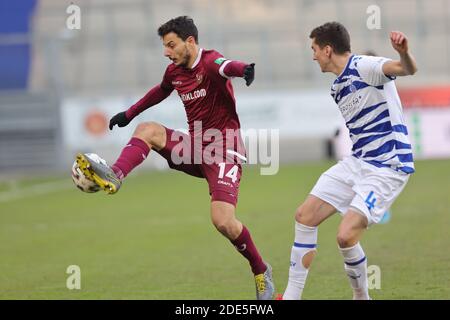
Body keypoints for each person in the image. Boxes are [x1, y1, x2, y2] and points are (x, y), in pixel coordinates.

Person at [75, 16, 275, 300]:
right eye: (165, 46)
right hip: (194, 148)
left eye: (171, 45)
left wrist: (244, 70)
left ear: (190, 42)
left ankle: (261, 269)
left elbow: (226, 66)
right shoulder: (174, 72)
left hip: (224, 151)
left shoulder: (210, 61)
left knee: (223, 221)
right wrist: (129, 114)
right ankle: (115, 175)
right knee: (148, 130)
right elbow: (160, 91)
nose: (166, 52)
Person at [279, 22, 417, 300]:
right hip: (357, 162)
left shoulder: (365, 66)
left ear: (328, 49)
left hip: (387, 166)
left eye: (315, 49)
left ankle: (361, 297)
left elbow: (407, 70)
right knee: (304, 216)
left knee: (345, 236)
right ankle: (291, 297)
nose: (313, 55)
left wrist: (403, 53)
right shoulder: (338, 87)